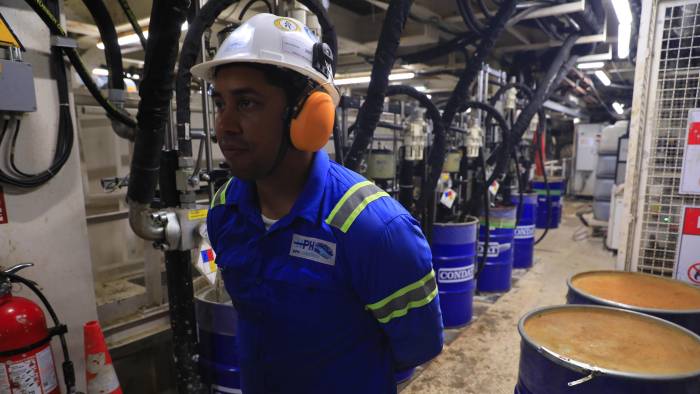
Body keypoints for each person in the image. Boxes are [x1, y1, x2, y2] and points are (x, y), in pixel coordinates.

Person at [192, 13, 443, 394]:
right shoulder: (225, 210)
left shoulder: (378, 232)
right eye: (220, 103)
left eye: (246, 103)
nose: (223, 125)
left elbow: (418, 346)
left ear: (310, 116)